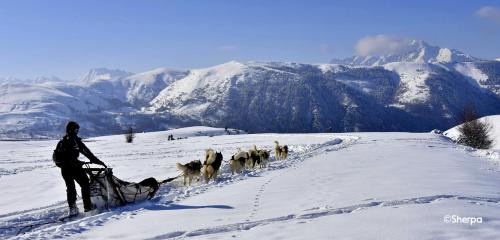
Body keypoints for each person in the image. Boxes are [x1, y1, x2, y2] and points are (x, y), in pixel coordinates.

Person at [58, 121, 107, 216]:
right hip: (74, 168)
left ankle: (72, 208)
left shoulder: (62, 142)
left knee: (70, 188)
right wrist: (98, 162)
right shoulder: (75, 141)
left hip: (64, 169)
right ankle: (87, 207)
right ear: (72, 130)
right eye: (76, 130)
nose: (77, 131)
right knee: (85, 183)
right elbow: (87, 153)